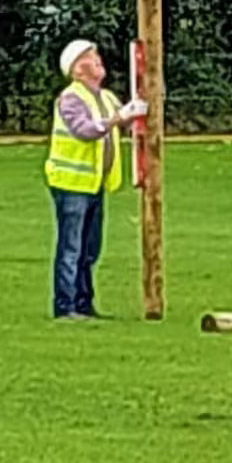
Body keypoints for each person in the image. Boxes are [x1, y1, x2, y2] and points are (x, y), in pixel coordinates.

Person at [46, 39, 147, 320]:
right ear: (77, 70)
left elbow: (124, 120)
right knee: (71, 248)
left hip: (94, 184)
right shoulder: (70, 99)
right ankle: (65, 307)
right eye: (90, 57)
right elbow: (86, 130)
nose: (98, 60)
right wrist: (121, 117)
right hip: (71, 184)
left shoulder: (105, 97)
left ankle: (84, 303)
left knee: (90, 248)